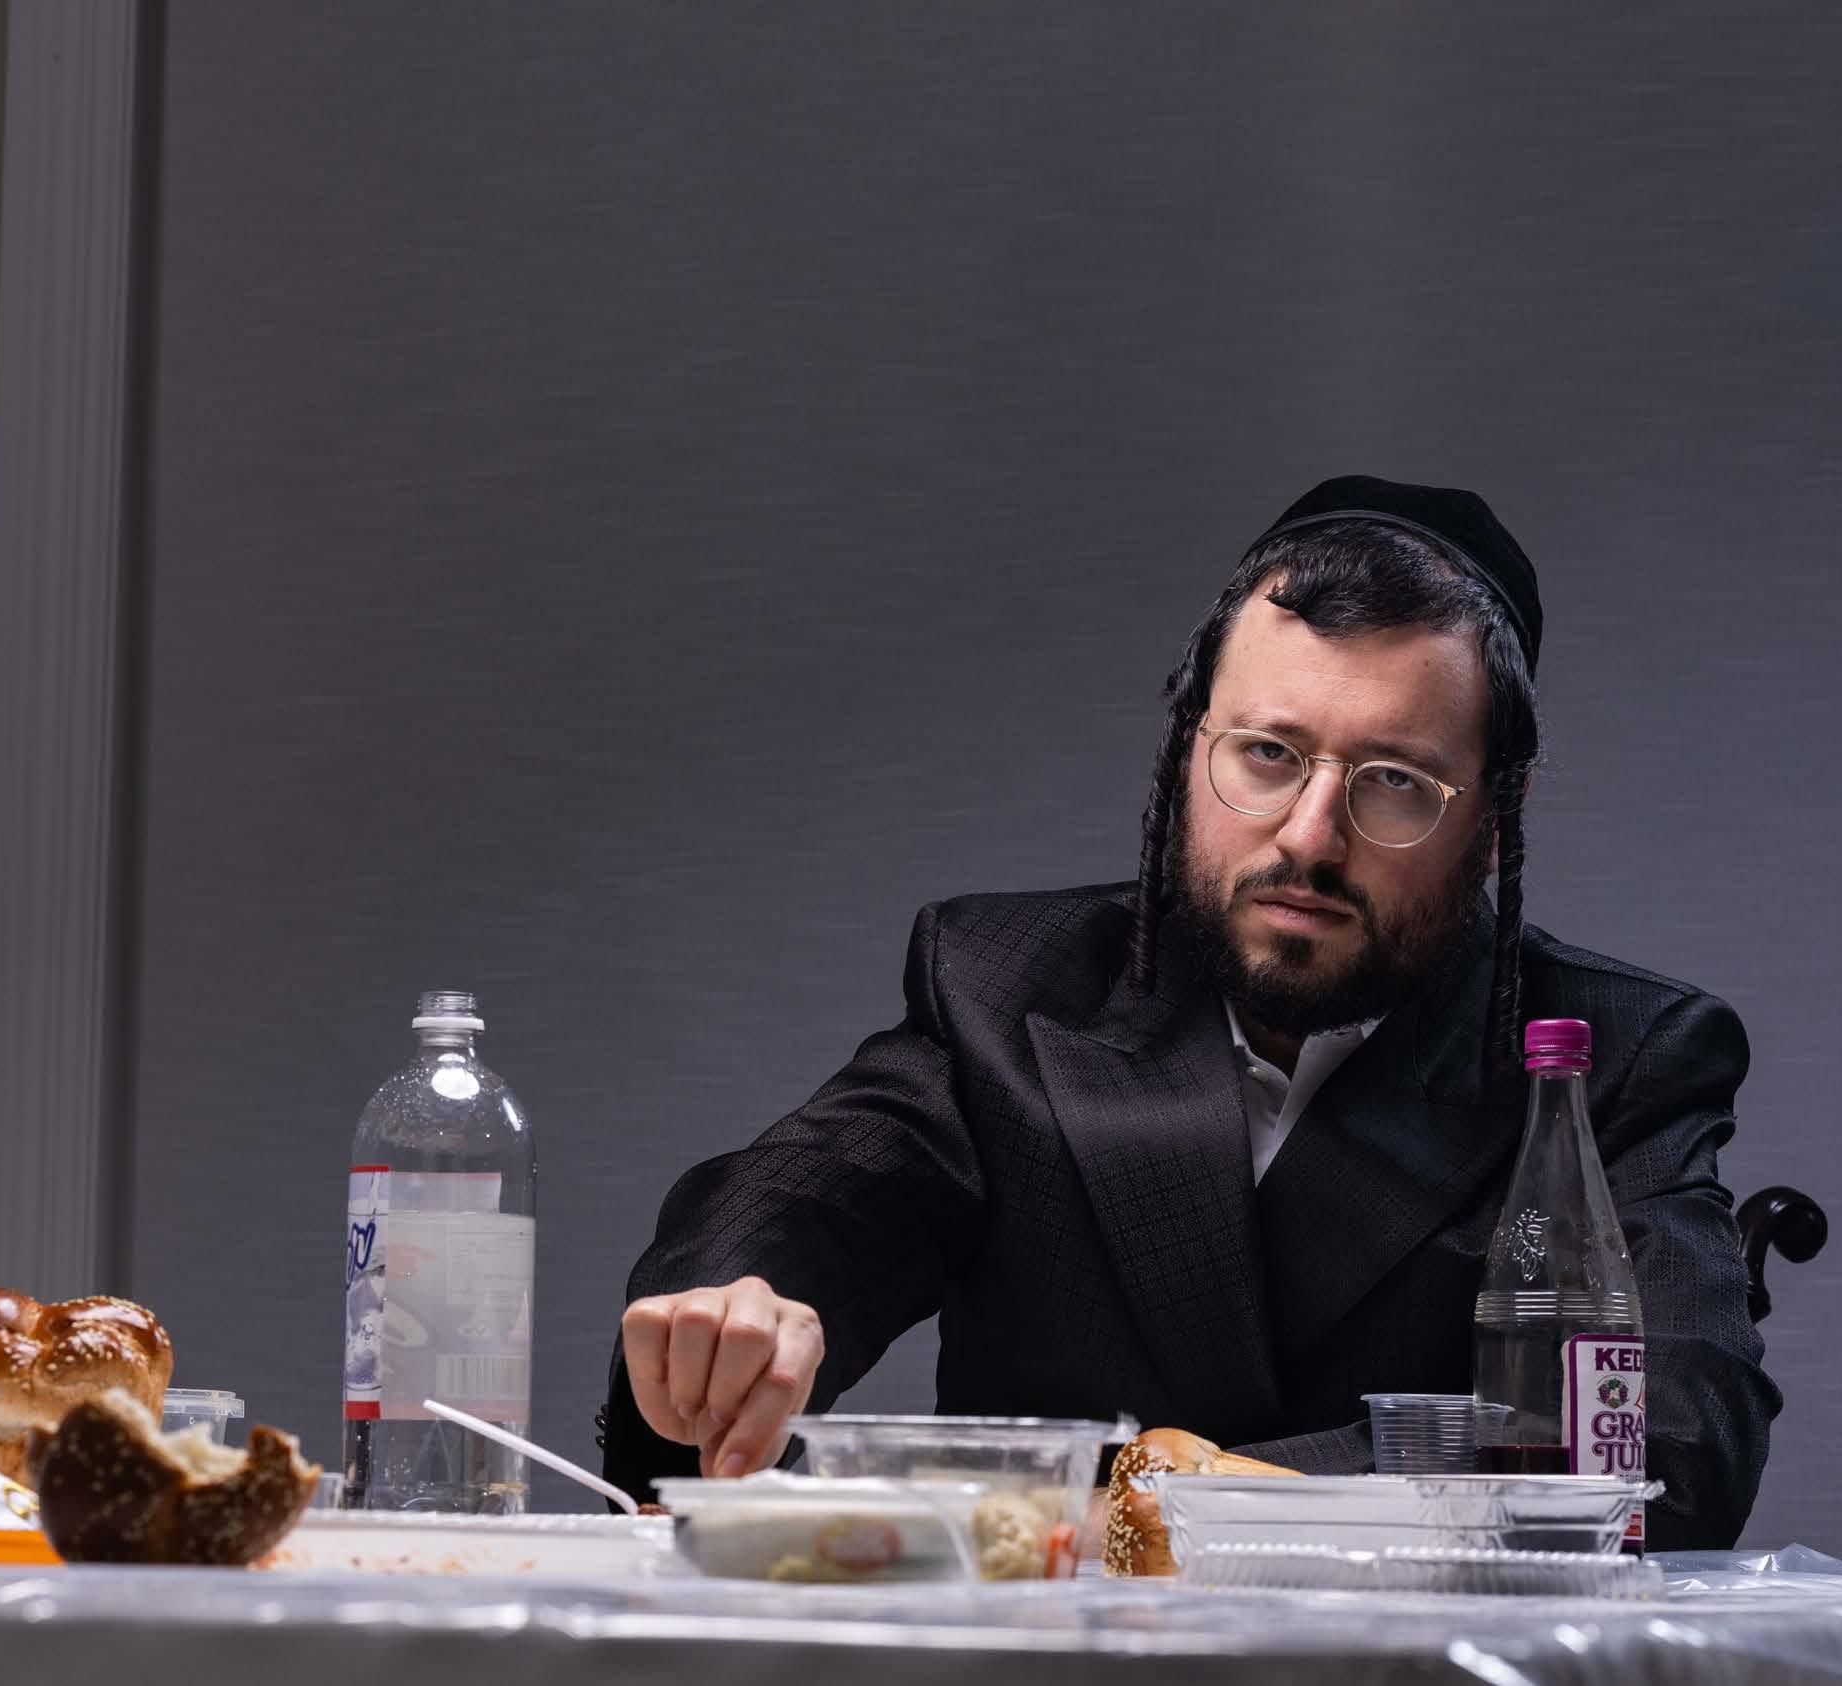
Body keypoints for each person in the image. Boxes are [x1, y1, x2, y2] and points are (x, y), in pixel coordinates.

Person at [598, 476, 1778, 1550]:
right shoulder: (1005, 983)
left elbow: (1671, 1443)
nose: (1310, 836)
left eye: (1396, 783)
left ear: (1496, 818)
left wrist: (1174, 1506)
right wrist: (732, 1316)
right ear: (1185, 749)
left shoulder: (1615, 1060)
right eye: (1266, 754)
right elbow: (813, 1199)